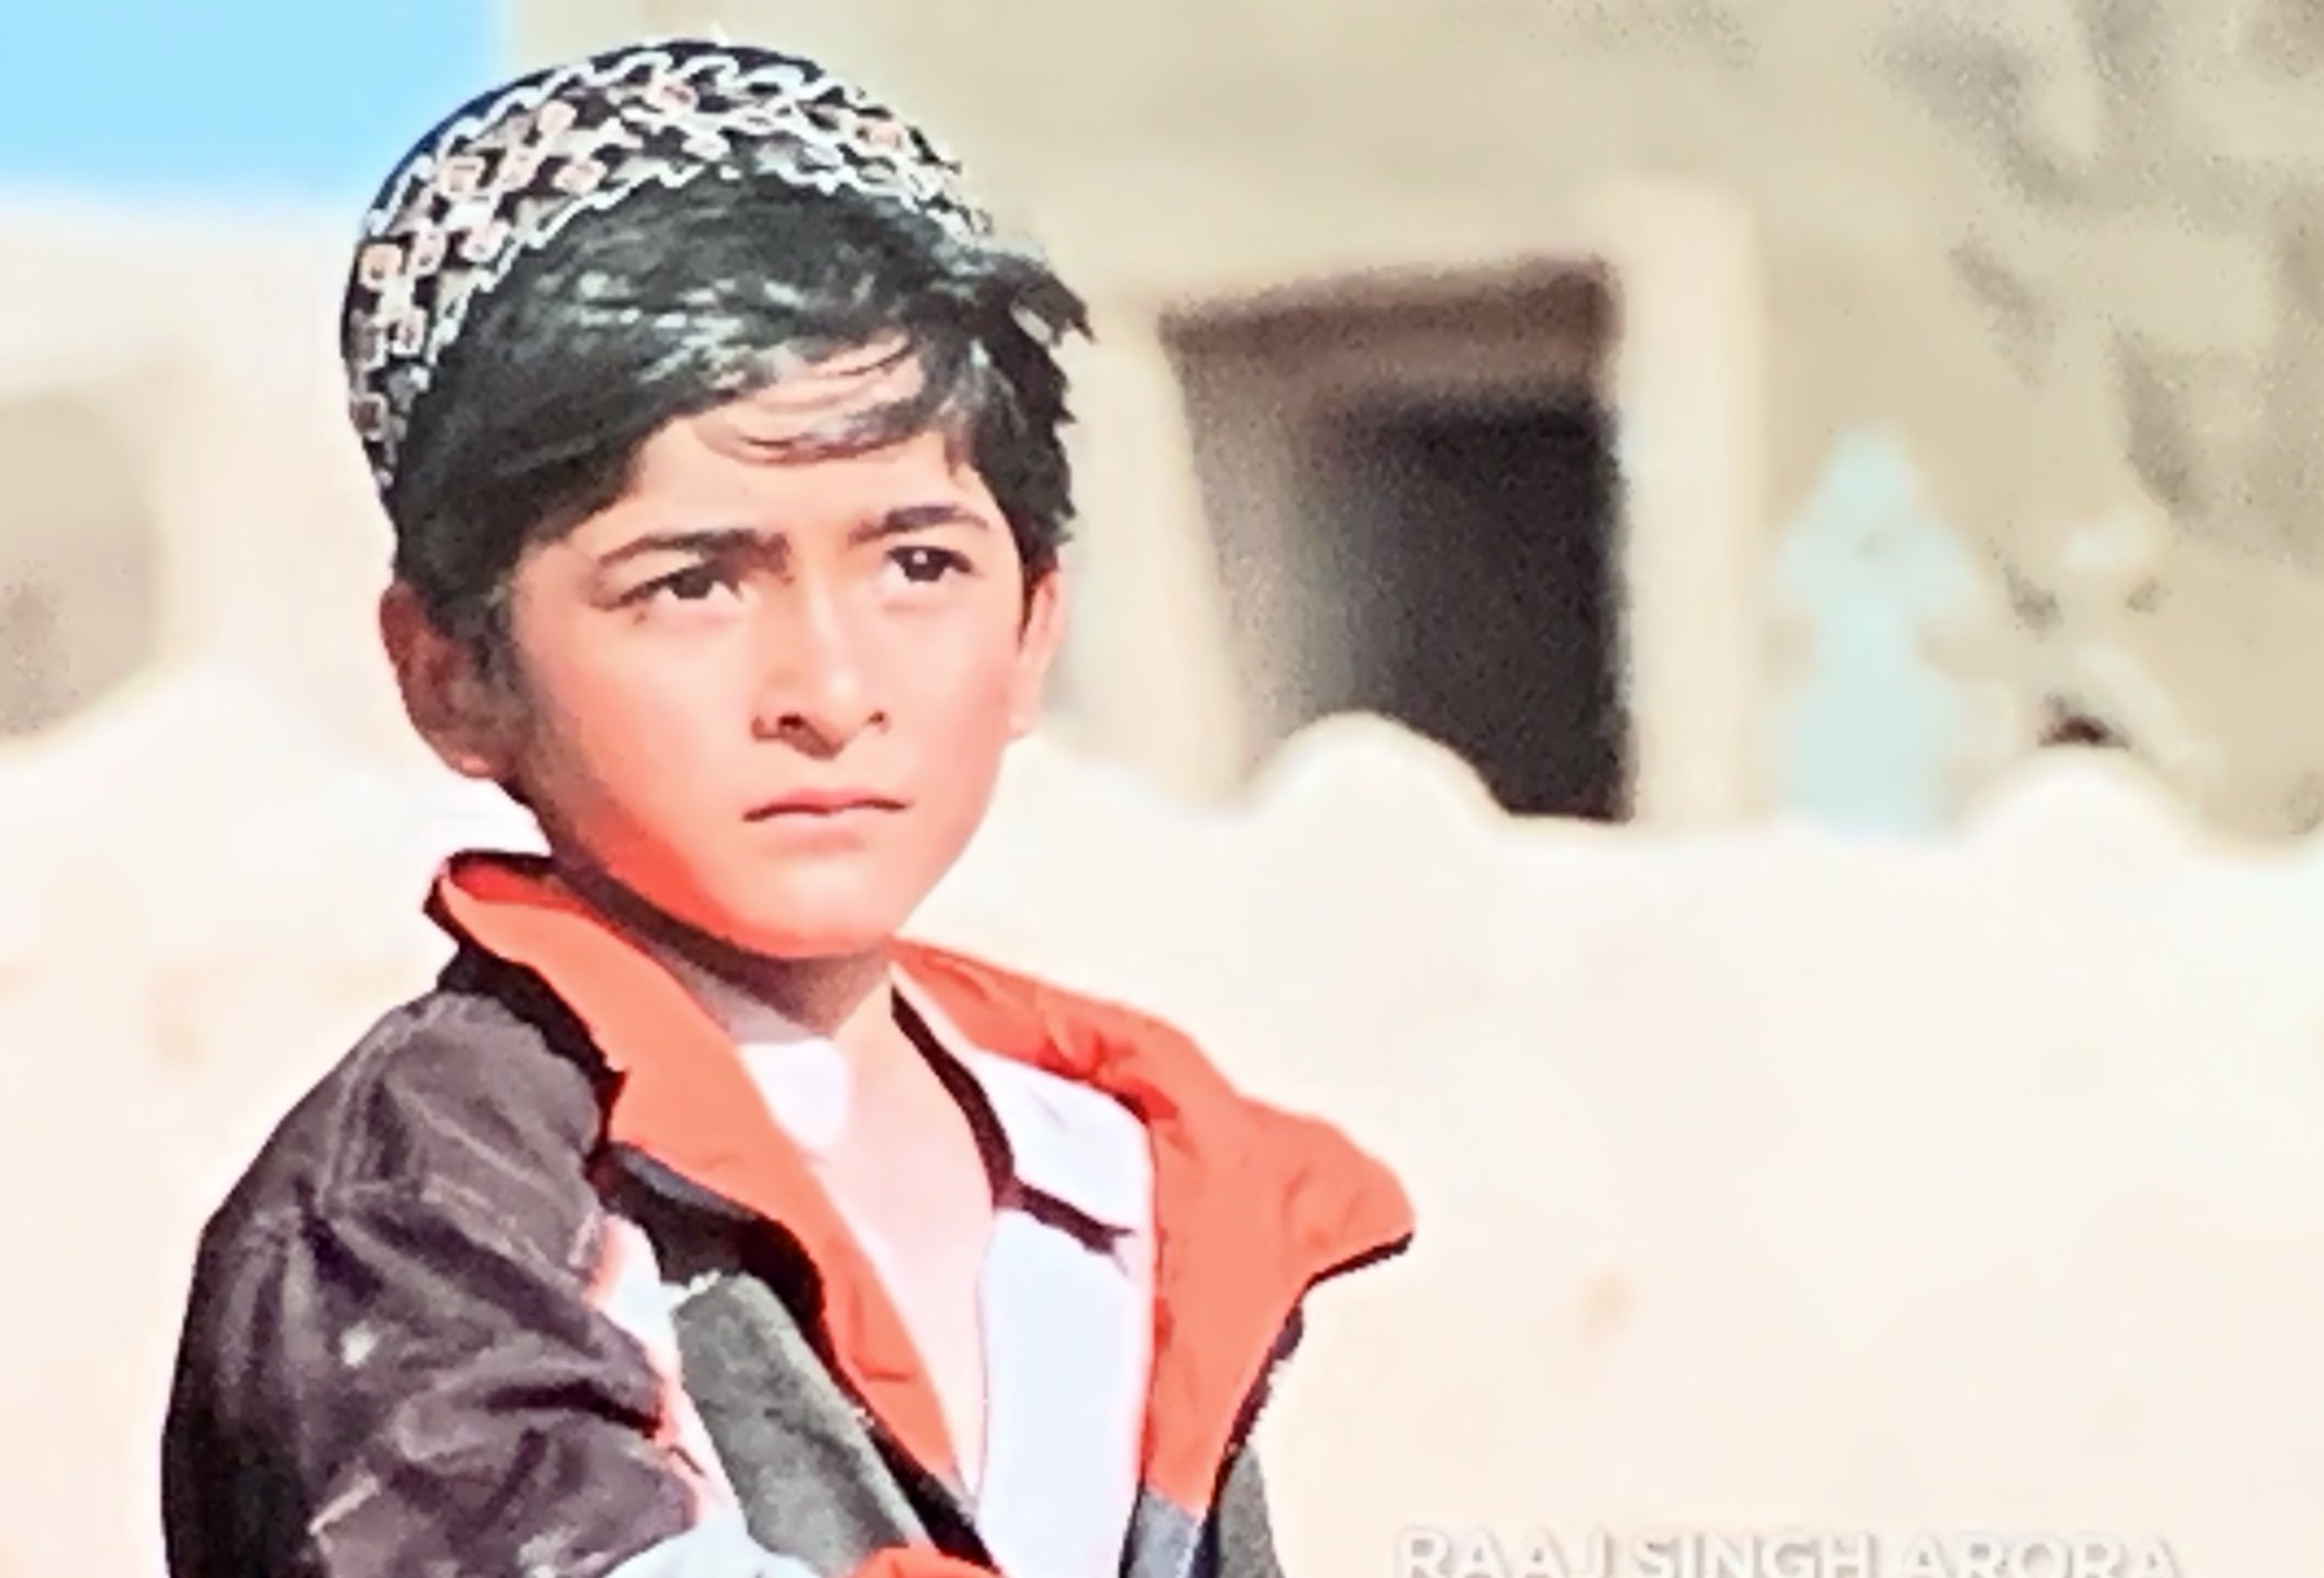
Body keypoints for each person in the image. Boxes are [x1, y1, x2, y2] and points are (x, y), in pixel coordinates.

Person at [159, 37, 1413, 1578]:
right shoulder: (424, 1219)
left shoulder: (1123, 1181)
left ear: (1035, 630)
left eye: (919, 566)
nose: (829, 688)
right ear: (453, 675)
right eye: (691, 584)